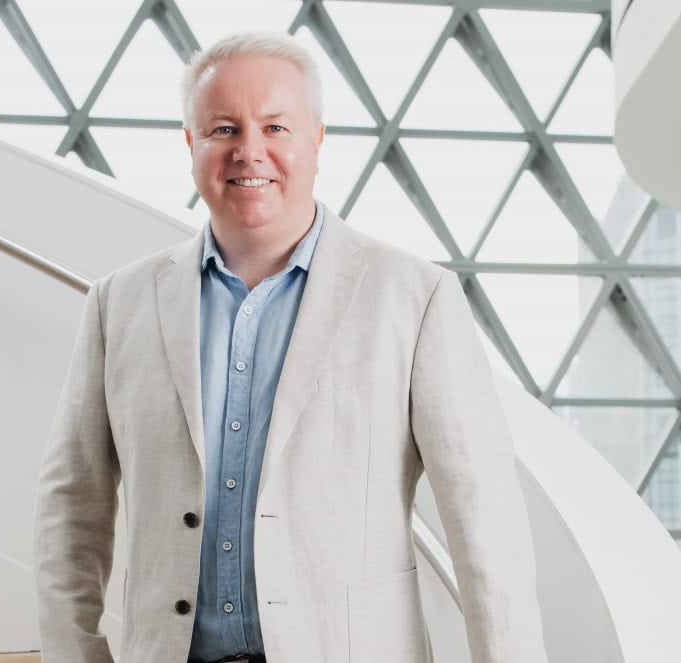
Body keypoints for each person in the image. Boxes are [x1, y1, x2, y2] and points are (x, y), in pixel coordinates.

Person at [33, 31, 549, 663]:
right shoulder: (120, 303)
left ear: (317, 141)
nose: (250, 151)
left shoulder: (414, 298)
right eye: (224, 129)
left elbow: (484, 519)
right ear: (192, 145)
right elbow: (72, 505)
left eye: (275, 127)